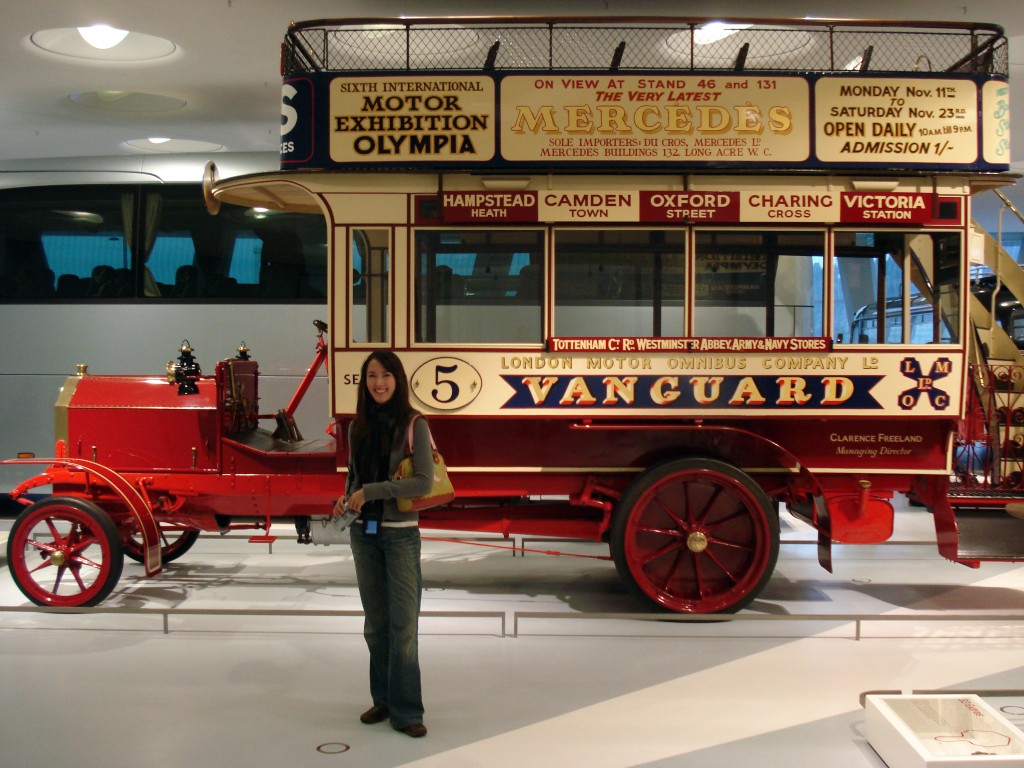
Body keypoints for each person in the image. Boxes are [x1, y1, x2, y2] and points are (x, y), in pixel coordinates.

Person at [334, 350, 434, 738]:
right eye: (372, 376)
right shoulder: (356, 427)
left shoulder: (414, 424)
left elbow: (422, 482)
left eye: (386, 375)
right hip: (363, 534)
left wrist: (372, 491)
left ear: (398, 380)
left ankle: (407, 712)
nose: (379, 383)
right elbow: (353, 478)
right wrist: (345, 499)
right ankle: (384, 700)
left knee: (403, 626)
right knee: (375, 626)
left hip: (400, 536)